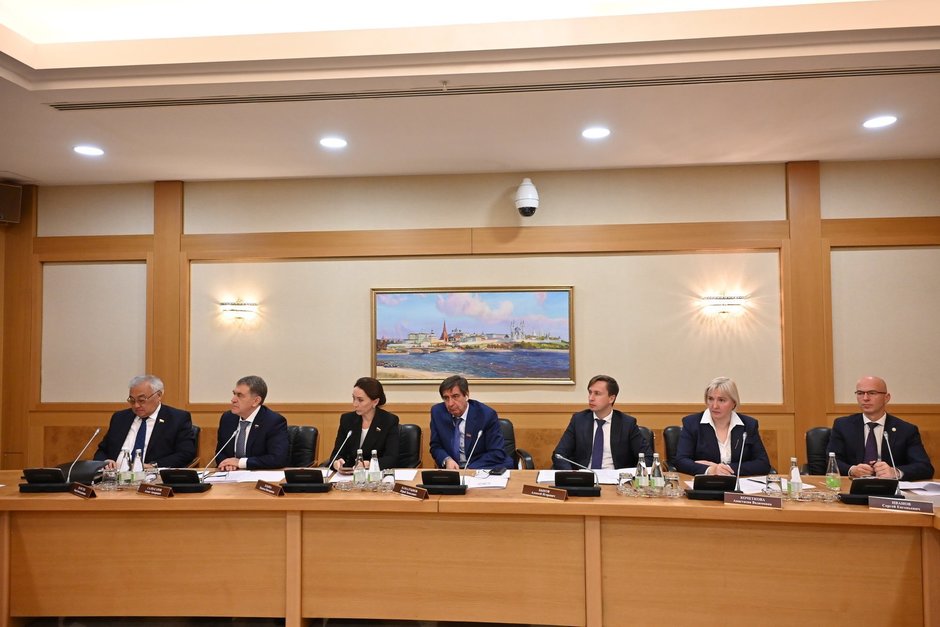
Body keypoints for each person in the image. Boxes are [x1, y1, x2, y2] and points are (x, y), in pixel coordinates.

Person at [827, 375, 933, 480]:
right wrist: (852, 470)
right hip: (853, 485)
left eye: (872, 393)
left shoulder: (906, 430)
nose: (865, 398)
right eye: (860, 393)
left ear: (886, 398)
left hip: (889, 487)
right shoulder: (843, 425)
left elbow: (925, 467)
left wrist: (895, 472)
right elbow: (831, 461)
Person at [94, 374, 196, 469]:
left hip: (152, 477)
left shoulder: (177, 419)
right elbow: (102, 450)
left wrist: (153, 466)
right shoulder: (120, 418)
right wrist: (105, 461)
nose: (136, 405)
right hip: (114, 476)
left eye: (141, 400)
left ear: (159, 395)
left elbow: (186, 453)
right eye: (132, 400)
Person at [674, 376, 771, 476]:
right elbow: (681, 461)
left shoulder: (748, 425)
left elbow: (763, 464)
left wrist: (724, 469)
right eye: (710, 399)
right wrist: (710, 470)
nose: (714, 406)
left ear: (734, 403)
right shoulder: (692, 423)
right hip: (705, 483)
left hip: (738, 483)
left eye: (721, 400)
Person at [552, 374, 652, 470]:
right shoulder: (578, 420)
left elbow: (648, 457)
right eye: (590, 392)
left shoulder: (627, 423)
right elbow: (559, 454)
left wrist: (632, 476)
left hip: (616, 478)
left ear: (611, 398)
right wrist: (571, 475)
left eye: (597, 393)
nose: (591, 398)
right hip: (585, 477)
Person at [429, 375, 512, 470]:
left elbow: (497, 452)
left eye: (455, 396)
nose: (450, 403)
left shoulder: (486, 415)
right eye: (446, 398)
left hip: (480, 467)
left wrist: (469, 469)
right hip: (452, 469)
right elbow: (436, 446)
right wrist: (447, 459)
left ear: (466, 395)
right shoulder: (438, 412)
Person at [215, 375, 289, 471]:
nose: (233, 400)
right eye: (234, 394)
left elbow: (277, 459)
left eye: (240, 395)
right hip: (230, 474)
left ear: (256, 401)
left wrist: (240, 463)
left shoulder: (273, 421)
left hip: (259, 476)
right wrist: (226, 463)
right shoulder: (228, 418)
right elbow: (220, 452)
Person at [327, 377, 400, 471]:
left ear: (375, 402)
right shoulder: (347, 420)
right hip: (350, 474)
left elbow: (391, 458)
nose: (354, 404)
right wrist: (336, 462)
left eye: (360, 400)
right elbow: (337, 453)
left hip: (375, 474)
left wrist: (368, 464)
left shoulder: (389, 421)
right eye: (353, 398)